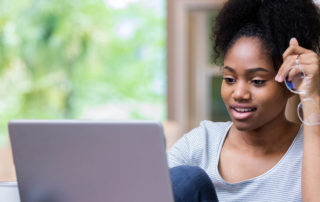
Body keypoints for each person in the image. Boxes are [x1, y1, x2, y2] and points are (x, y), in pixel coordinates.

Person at [168, 0, 320, 201]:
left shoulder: (310, 150)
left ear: (289, 84)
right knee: (185, 178)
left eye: (257, 81)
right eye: (229, 79)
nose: (239, 93)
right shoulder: (200, 145)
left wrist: (311, 97)